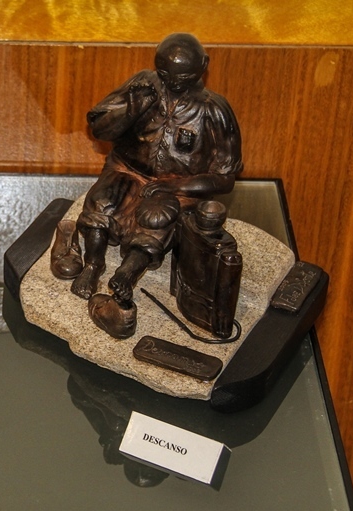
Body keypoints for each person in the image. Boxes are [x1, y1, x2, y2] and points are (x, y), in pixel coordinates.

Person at [51, 33, 242, 337]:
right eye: (165, 74)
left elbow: (225, 177)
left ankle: (125, 276)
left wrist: (176, 187)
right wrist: (131, 106)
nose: (173, 83)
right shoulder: (144, 84)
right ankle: (93, 264)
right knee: (102, 204)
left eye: (184, 77)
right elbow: (99, 128)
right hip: (125, 169)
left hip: (175, 187)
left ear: (204, 66)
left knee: (155, 221)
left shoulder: (214, 110)